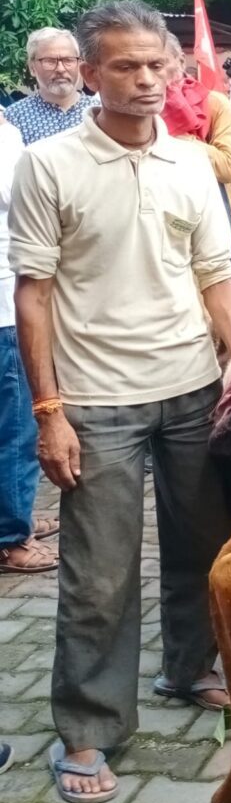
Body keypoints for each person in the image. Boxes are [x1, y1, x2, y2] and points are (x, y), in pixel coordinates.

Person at [9, 0, 231, 803]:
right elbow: (34, 293)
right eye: (125, 65)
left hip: (192, 388)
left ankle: (189, 669)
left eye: (158, 65)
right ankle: (89, 727)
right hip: (96, 402)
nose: (146, 79)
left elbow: (216, 274)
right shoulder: (50, 166)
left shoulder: (192, 163)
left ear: (177, 70)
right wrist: (50, 413)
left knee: (204, 550)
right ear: (88, 74)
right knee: (99, 577)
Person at [1, 107, 58, 575]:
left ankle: (14, 515)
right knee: (17, 429)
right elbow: (16, 195)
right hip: (5, 307)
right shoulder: (6, 134)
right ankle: (10, 538)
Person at [162, 35, 231, 268]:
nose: (150, 73)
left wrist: (175, 137)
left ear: (179, 61)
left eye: (158, 63)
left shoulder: (214, 103)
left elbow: (228, 167)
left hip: (210, 217)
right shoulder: (138, 109)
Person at [5, 28, 96, 145]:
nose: (60, 69)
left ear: (79, 64)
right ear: (32, 67)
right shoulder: (13, 118)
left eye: (68, 60)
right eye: (50, 61)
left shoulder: (99, 112)